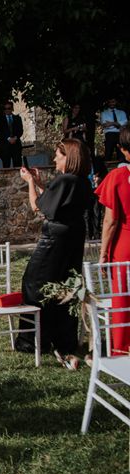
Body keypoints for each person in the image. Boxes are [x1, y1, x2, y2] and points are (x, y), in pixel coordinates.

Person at [15, 139, 92, 368]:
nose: (54, 159)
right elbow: (55, 202)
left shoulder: (64, 179)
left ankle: (33, 340)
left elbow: (40, 208)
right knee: (65, 286)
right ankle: (64, 340)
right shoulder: (79, 181)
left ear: (69, 157)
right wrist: (40, 183)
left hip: (54, 240)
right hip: (73, 236)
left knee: (34, 283)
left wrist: (29, 182)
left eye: (58, 155)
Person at [95, 126, 130, 355]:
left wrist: (103, 254)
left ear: (123, 150)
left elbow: (110, 222)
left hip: (125, 247)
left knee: (123, 300)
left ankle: (123, 348)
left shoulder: (118, 177)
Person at [0, 101, 24, 168]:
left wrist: (15, 138)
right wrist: (8, 139)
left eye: (9, 108)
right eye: (5, 108)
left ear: (12, 109)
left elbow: (20, 131)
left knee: (17, 165)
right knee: (6, 166)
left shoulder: (17, 118)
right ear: (4, 110)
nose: (7, 110)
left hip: (16, 145)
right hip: (4, 146)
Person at [100, 98, 128, 162]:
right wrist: (119, 124)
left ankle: (122, 168)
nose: (112, 103)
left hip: (120, 134)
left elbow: (125, 123)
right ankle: (106, 170)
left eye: (113, 101)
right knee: (108, 153)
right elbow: (105, 125)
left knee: (121, 153)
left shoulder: (122, 112)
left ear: (116, 102)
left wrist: (111, 123)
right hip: (109, 134)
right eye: (110, 102)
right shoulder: (104, 113)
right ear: (108, 103)